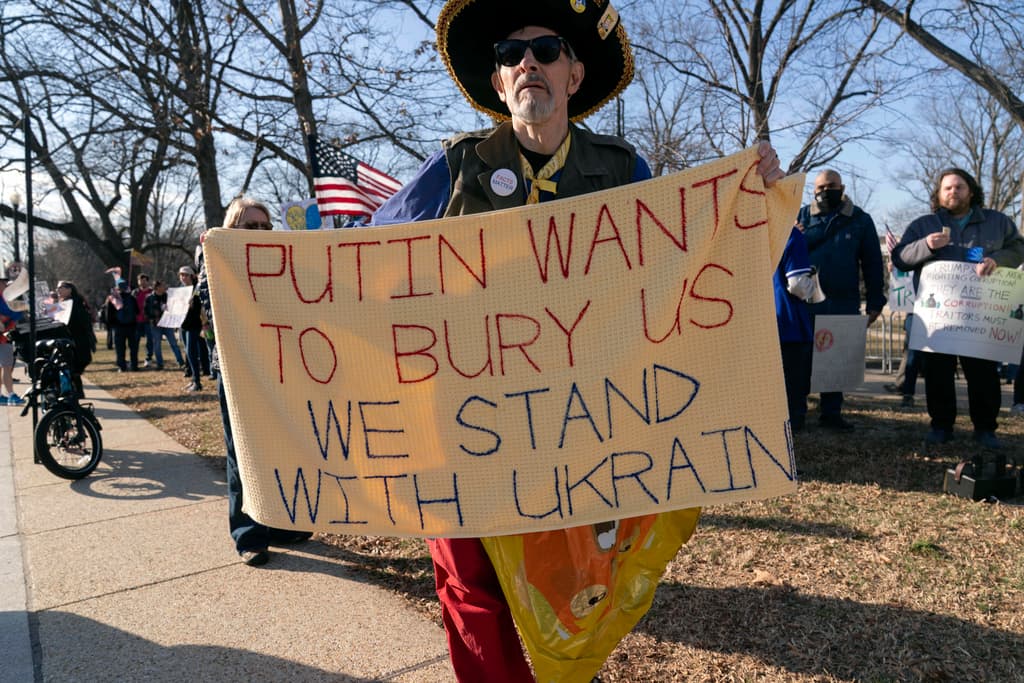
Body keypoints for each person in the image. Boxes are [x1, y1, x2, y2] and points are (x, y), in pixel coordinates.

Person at [368, 1, 784, 678]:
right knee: (468, 578)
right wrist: (258, 266)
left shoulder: (624, 170)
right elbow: (360, 260)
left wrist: (750, 196)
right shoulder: (450, 172)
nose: (527, 61)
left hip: (584, 425)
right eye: (509, 55)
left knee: (578, 577)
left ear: (575, 72)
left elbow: (689, 256)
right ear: (499, 83)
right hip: (465, 421)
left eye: (547, 49)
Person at [197, 196, 311, 566]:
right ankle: (249, 534)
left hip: (279, 369)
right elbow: (210, 302)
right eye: (251, 226)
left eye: (265, 226)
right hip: (237, 372)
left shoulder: (284, 260)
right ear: (231, 230)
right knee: (242, 452)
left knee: (282, 449)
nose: (260, 232)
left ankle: (280, 524)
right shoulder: (213, 262)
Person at [892, 168, 1024, 449]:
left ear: (971, 191)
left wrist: (998, 260)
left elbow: (1018, 248)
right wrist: (926, 245)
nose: (953, 192)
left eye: (959, 187)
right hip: (940, 320)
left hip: (983, 319)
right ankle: (941, 425)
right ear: (939, 194)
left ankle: (985, 429)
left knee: (983, 374)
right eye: (947, 188)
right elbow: (901, 258)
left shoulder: (997, 222)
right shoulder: (923, 225)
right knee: (938, 373)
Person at [796, 169, 885, 431]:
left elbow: (872, 263)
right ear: (813, 190)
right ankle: (797, 412)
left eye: (831, 185)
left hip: (843, 300)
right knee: (800, 359)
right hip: (805, 301)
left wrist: (875, 301)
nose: (825, 191)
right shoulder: (800, 217)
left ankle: (831, 413)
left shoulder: (860, 220)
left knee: (836, 358)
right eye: (820, 187)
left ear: (842, 187)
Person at [773, 228, 820, 433]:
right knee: (792, 387)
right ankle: (792, 427)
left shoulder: (742, 229)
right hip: (789, 323)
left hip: (754, 323)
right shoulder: (788, 234)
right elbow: (798, 285)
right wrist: (813, 283)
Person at [55, 281, 96, 397]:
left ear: (70, 290)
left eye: (61, 288)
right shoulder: (63, 304)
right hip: (69, 340)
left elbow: (81, 323)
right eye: (57, 288)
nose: (58, 290)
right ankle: (75, 390)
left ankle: (76, 391)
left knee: (74, 367)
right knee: (69, 367)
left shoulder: (76, 304)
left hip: (78, 341)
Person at [178, 265, 209, 392]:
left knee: (192, 353)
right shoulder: (180, 290)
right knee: (188, 352)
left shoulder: (196, 289)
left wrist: (190, 304)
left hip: (193, 325)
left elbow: (198, 309)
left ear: (192, 276)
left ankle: (197, 381)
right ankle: (193, 380)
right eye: (181, 275)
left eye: (185, 275)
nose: (183, 277)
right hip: (183, 325)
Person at [144, 281, 185, 370]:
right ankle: (160, 364)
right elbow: (146, 312)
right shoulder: (149, 298)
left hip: (167, 324)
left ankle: (181, 362)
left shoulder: (168, 296)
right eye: (163, 286)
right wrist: (153, 318)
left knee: (174, 343)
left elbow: (174, 307)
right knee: (157, 345)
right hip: (156, 325)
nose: (165, 287)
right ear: (157, 287)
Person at [0, 276, 25, 405]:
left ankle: (1, 395)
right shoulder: (4, 298)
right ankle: (11, 395)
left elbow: (19, 311)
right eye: (3, 282)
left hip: (6, 336)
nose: (6, 284)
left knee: (4, 367)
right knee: (6, 367)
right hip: (3, 338)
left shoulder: (7, 298)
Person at [106, 278, 140, 372]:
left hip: (118, 327)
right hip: (131, 326)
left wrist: (111, 325)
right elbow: (137, 311)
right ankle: (134, 365)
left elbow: (109, 314)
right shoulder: (132, 298)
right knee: (133, 347)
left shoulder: (113, 299)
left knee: (120, 348)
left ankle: (122, 366)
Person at [132, 273, 154, 367]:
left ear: (147, 281)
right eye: (140, 280)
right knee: (135, 341)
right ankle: (134, 359)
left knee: (149, 340)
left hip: (148, 320)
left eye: (144, 280)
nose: (142, 282)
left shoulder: (151, 292)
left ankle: (148, 358)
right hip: (137, 321)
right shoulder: (135, 293)